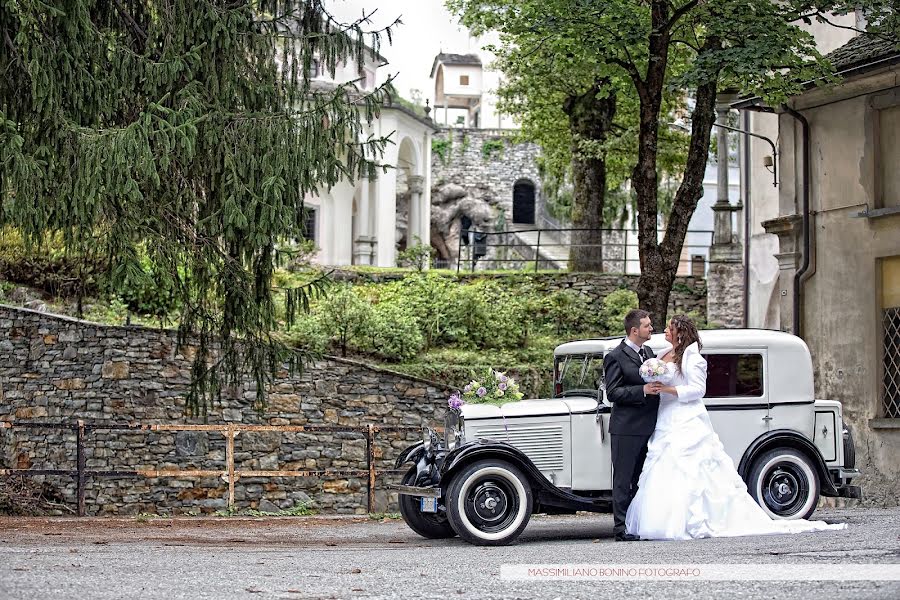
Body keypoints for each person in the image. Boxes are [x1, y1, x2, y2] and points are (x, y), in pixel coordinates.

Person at [625, 314, 846, 540]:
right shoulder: (663, 354)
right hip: (666, 417)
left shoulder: (694, 358)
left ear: (680, 333)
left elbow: (697, 391)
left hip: (686, 418)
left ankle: (691, 519)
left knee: (691, 467)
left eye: (669, 328)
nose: (665, 332)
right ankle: (661, 519)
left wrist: (668, 390)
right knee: (663, 466)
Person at [603, 309, 661, 542]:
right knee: (623, 478)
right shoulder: (615, 356)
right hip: (626, 428)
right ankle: (620, 528)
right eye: (647, 326)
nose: (651, 329)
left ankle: (637, 522)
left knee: (641, 478)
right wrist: (642, 390)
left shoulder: (648, 352)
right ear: (635, 330)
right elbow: (613, 392)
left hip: (649, 425)